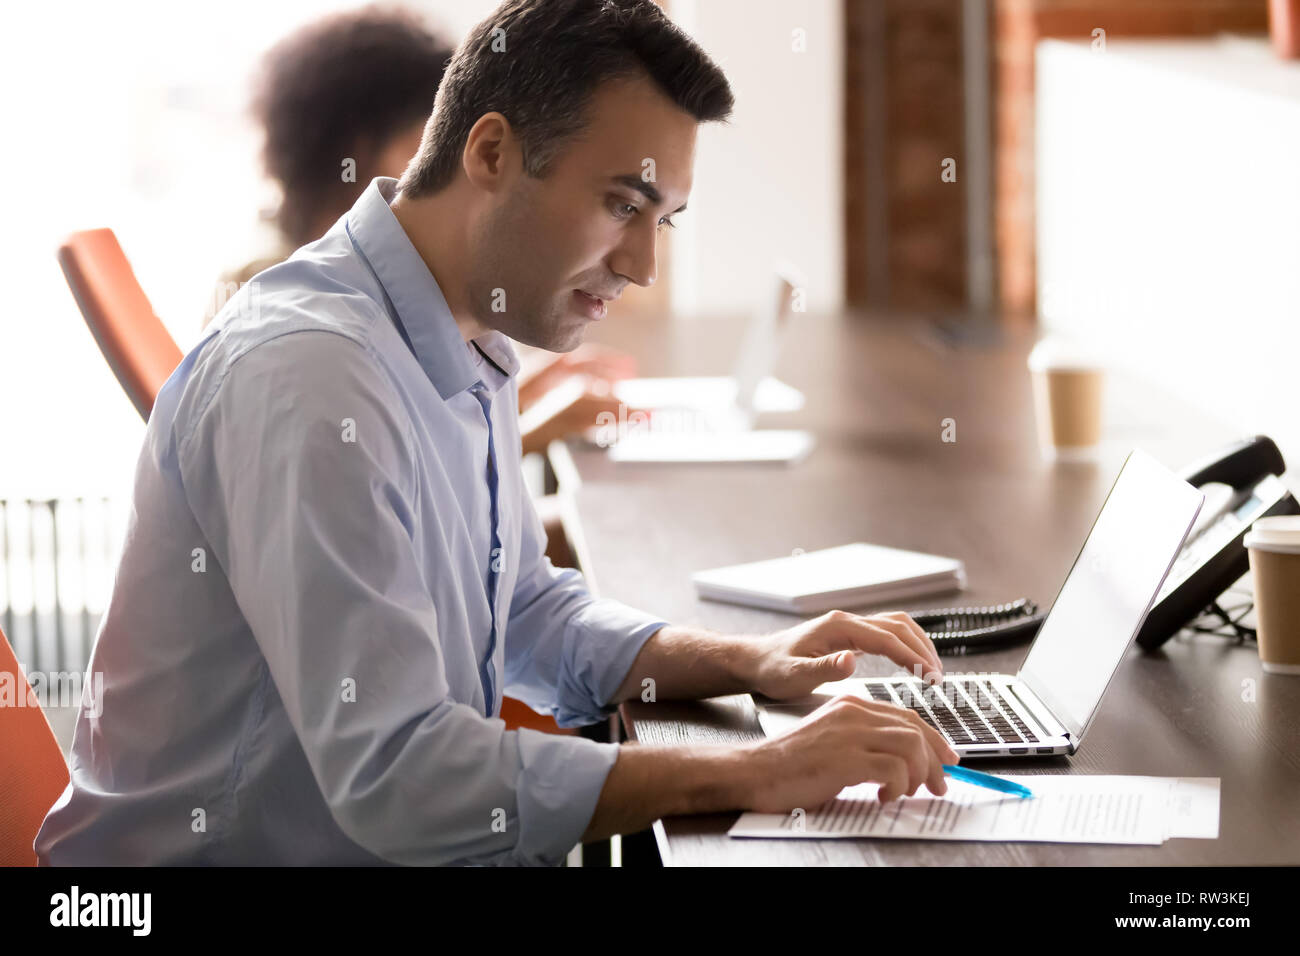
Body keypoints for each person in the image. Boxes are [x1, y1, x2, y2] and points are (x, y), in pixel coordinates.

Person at [36, 0, 956, 867]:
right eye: (623, 204)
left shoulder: (465, 334)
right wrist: (753, 771)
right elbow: (398, 774)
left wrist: (750, 661)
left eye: (663, 219)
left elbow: (520, 609)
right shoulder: (312, 377)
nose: (643, 265)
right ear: (490, 153)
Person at [205, 4, 632, 566]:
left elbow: (413, 404)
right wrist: (526, 432)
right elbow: (358, 461)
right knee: (601, 534)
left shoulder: (380, 271)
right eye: (429, 133)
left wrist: (520, 395)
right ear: (366, 149)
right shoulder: (281, 302)